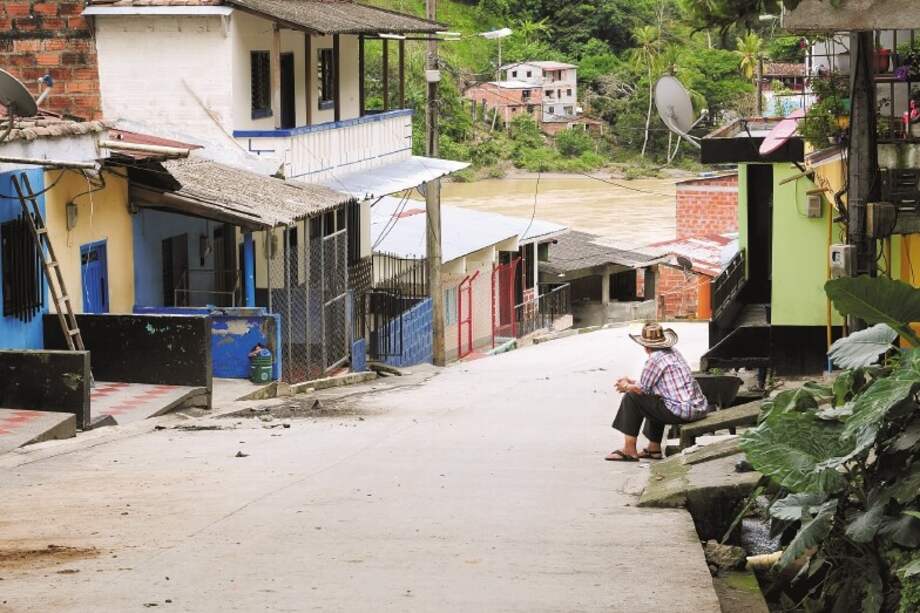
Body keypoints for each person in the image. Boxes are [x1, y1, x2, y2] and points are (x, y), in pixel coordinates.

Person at [605, 322, 708, 462]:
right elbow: (651, 385)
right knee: (655, 398)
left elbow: (642, 390)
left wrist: (626, 386)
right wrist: (632, 383)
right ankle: (654, 449)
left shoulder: (655, 359)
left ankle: (629, 450)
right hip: (697, 407)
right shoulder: (673, 352)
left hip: (682, 411)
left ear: (646, 347)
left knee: (631, 397)